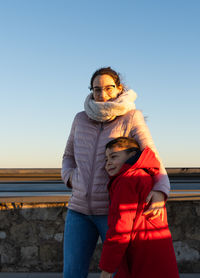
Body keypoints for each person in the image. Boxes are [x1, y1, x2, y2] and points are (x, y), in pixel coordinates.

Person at [61, 67, 170, 278]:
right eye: (97, 89)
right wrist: (71, 178)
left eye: (109, 88)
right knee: (72, 273)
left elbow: (151, 155)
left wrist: (160, 189)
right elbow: (68, 156)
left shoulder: (131, 117)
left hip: (111, 212)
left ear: (119, 88)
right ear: (91, 91)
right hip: (78, 211)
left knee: (120, 273)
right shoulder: (80, 119)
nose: (102, 94)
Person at [99, 137, 179, 278]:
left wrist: (107, 269)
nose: (108, 163)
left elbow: (120, 229)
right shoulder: (144, 176)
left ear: (132, 155)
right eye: (106, 159)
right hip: (157, 248)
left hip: (141, 252)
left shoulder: (127, 180)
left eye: (114, 156)